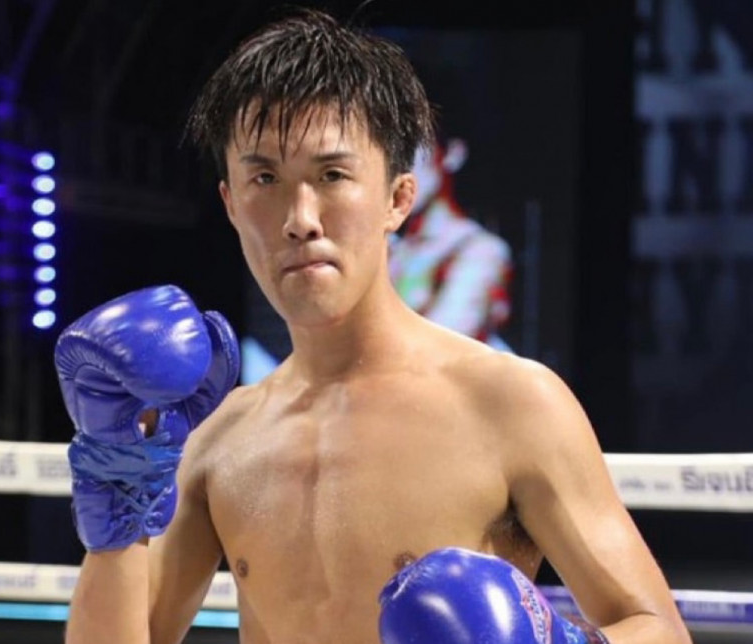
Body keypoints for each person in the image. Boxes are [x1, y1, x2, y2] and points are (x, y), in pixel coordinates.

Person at [58, 8, 692, 644]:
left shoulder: (511, 404)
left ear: (397, 197)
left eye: (332, 175)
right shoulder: (219, 440)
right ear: (230, 203)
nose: (300, 219)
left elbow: (657, 629)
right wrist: (116, 478)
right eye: (265, 178)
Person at [388, 137, 515, 352]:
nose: (401, 168)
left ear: (452, 154)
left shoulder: (481, 251)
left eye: (413, 149)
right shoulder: (390, 249)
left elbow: (441, 346)